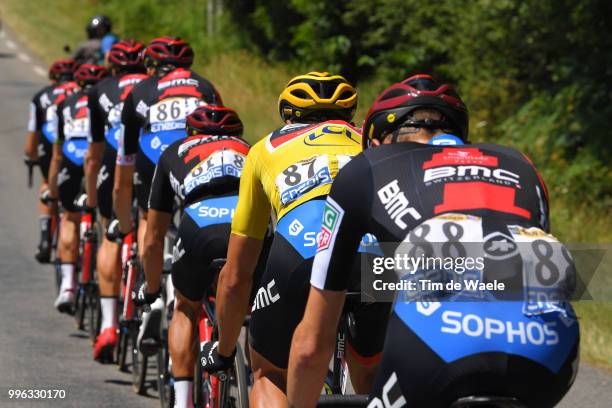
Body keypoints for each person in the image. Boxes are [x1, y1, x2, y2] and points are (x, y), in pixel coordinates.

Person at [287, 75, 580, 407]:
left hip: (438, 346)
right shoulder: (521, 164)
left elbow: (312, 345)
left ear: (378, 142)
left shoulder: (365, 167)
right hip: (549, 349)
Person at [201, 72, 388, 406]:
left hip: (302, 249)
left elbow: (238, 273)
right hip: (377, 256)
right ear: (350, 114)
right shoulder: (372, 144)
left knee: (269, 374)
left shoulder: (264, 150)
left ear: (287, 113)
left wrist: (225, 351)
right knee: (372, 374)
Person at [135, 106, 251, 408]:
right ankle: (256, 376)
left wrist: (150, 289)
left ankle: (182, 400)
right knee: (257, 306)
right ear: (236, 134)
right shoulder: (251, 149)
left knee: (185, 307)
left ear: (191, 133)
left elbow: (154, 236)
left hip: (199, 226)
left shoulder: (175, 151)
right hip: (245, 229)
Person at [113, 36, 222, 352]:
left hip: (155, 156)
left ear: (152, 65)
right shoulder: (205, 86)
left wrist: (121, 209)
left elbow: (125, 157)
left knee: (150, 216)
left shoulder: (141, 91)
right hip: (200, 159)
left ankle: (154, 286)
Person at [85, 40, 148, 361]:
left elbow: (93, 155)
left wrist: (93, 200)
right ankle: (153, 292)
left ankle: (109, 324)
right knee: (150, 225)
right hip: (153, 159)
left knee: (110, 232)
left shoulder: (100, 90)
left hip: (114, 157)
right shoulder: (155, 86)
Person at [47, 64, 108, 312]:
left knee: (70, 217)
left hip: (71, 157)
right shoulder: (107, 99)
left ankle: (68, 286)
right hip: (100, 157)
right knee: (108, 219)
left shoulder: (66, 103)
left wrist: (52, 191)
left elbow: (57, 152)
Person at [25, 59, 78, 263]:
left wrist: (30, 156)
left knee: (48, 182)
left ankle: (45, 238)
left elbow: (33, 135)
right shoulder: (81, 94)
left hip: (50, 142)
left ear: (53, 78)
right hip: (78, 143)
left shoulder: (41, 96)